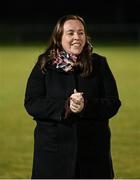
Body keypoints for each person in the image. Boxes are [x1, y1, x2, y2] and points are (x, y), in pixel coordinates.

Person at [24, 14, 121, 179]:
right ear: (59, 37)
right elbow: (32, 103)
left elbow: (113, 103)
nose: (77, 37)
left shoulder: (99, 63)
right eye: (70, 33)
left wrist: (85, 106)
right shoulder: (44, 64)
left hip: (93, 154)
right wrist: (65, 106)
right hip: (53, 155)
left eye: (81, 32)